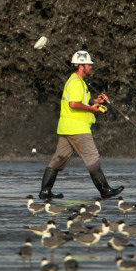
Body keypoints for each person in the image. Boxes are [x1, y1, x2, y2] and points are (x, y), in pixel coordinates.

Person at [39, 50, 124, 199]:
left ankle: (45, 191)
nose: (91, 67)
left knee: (59, 158)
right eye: (88, 64)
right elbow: (73, 104)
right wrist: (91, 109)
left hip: (67, 128)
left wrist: (96, 102)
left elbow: (81, 101)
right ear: (81, 66)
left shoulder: (78, 82)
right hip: (78, 128)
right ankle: (105, 190)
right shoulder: (76, 83)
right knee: (92, 157)